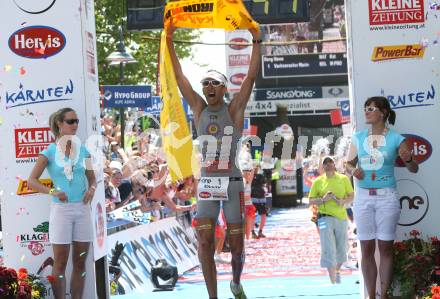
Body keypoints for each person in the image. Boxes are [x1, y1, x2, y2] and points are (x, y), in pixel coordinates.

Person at [166, 19, 261, 299]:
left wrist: (256, 41)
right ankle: (213, 296)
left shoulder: (234, 109)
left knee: (236, 244)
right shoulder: (197, 107)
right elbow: (180, 77)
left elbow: (250, 78)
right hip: (208, 182)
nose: (207, 87)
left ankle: (235, 280)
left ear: (223, 88)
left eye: (213, 83)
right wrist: (169, 40)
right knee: (205, 241)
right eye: (204, 83)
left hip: (231, 181)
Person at [345, 96, 418, 299]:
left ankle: (383, 294)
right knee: (366, 247)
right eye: (365, 108)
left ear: (383, 113)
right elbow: (347, 165)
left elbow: (414, 168)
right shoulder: (358, 137)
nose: (366, 111)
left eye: (371, 108)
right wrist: (353, 171)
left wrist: (409, 159)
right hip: (363, 198)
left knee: (385, 247)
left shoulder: (396, 138)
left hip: (387, 197)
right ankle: (371, 296)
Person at [28, 108, 96, 299]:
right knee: (60, 262)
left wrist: (91, 191)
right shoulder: (48, 151)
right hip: (61, 210)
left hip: (82, 210)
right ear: (59, 124)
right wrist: (52, 191)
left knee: (81, 262)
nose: (75, 125)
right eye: (71, 121)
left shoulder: (84, 151)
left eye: (77, 121)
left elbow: (93, 179)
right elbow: (31, 180)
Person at [308, 156, 354, 284]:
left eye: (330, 162)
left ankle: (337, 271)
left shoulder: (343, 179)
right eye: (325, 163)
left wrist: (342, 201)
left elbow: (351, 195)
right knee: (328, 248)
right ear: (323, 166)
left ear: (334, 164)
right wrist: (322, 199)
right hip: (324, 217)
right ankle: (333, 280)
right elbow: (310, 200)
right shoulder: (318, 181)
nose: (328, 164)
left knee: (342, 248)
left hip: (341, 217)